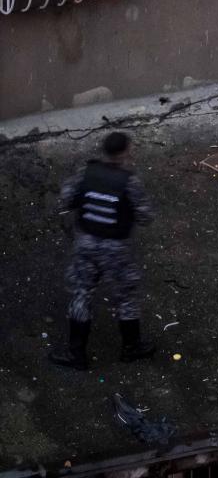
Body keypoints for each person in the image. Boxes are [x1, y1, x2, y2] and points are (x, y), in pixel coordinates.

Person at [49, 132, 156, 370]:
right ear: (126, 152)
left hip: (86, 244)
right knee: (126, 297)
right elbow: (146, 216)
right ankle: (131, 347)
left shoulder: (85, 173)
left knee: (81, 294)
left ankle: (76, 354)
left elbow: (65, 200)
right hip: (115, 249)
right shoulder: (129, 182)